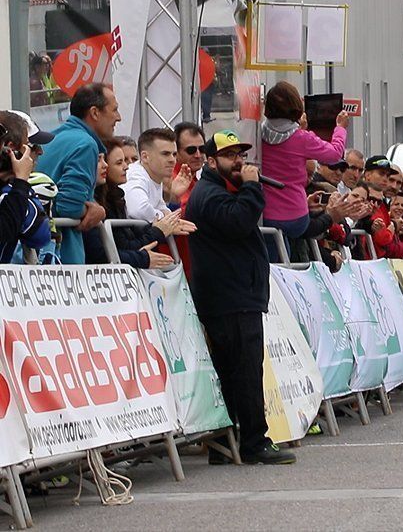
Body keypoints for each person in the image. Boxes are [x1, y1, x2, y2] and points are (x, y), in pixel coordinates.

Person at [185, 129, 295, 465]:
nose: (239, 161)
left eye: (242, 155)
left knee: (239, 369)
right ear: (211, 159)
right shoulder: (208, 195)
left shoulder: (219, 191)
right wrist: (251, 187)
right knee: (244, 370)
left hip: (237, 294)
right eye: (231, 155)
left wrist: (247, 188)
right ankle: (252, 442)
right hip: (229, 297)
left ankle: (231, 441)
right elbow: (238, 221)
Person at [260, 81, 348, 259]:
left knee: (273, 257)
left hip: (265, 214)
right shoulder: (302, 138)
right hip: (295, 216)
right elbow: (334, 154)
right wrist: (340, 128)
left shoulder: (257, 133)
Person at [36, 82, 120, 263]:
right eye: (114, 110)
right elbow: (70, 206)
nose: (119, 118)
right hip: (62, 259)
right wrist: (98, 211)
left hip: (39, 254)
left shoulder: (52, 138)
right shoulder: (85, 145)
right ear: (95, 113)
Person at [86, 138, 191, 268]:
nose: (127, 166)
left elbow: (132, 239)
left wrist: (164, 226)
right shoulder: (105, 200)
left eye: (174, 154)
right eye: (120, 162)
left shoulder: (116, 197)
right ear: (145, 156)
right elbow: (111, 251)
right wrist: (158, 231)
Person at [0, 112, 50, 263]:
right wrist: (21, 182)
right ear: (11, 151)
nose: (39, 152)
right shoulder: (10, 192)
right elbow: (39, 234)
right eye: (29, 145)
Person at [122, 128, 177, 222]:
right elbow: (138, 210)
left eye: (174, 154)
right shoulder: (135, 175)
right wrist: (165, 218)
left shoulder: (155, 175)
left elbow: (160, 205)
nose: (172, 160)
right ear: (145, 157)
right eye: (165, 154)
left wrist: (166, 213)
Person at [169, 121, 206, 211]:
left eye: (202, 149)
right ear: (176, 153)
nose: (198, 155)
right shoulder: (168, 179)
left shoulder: (198, 177)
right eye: (191, 150)